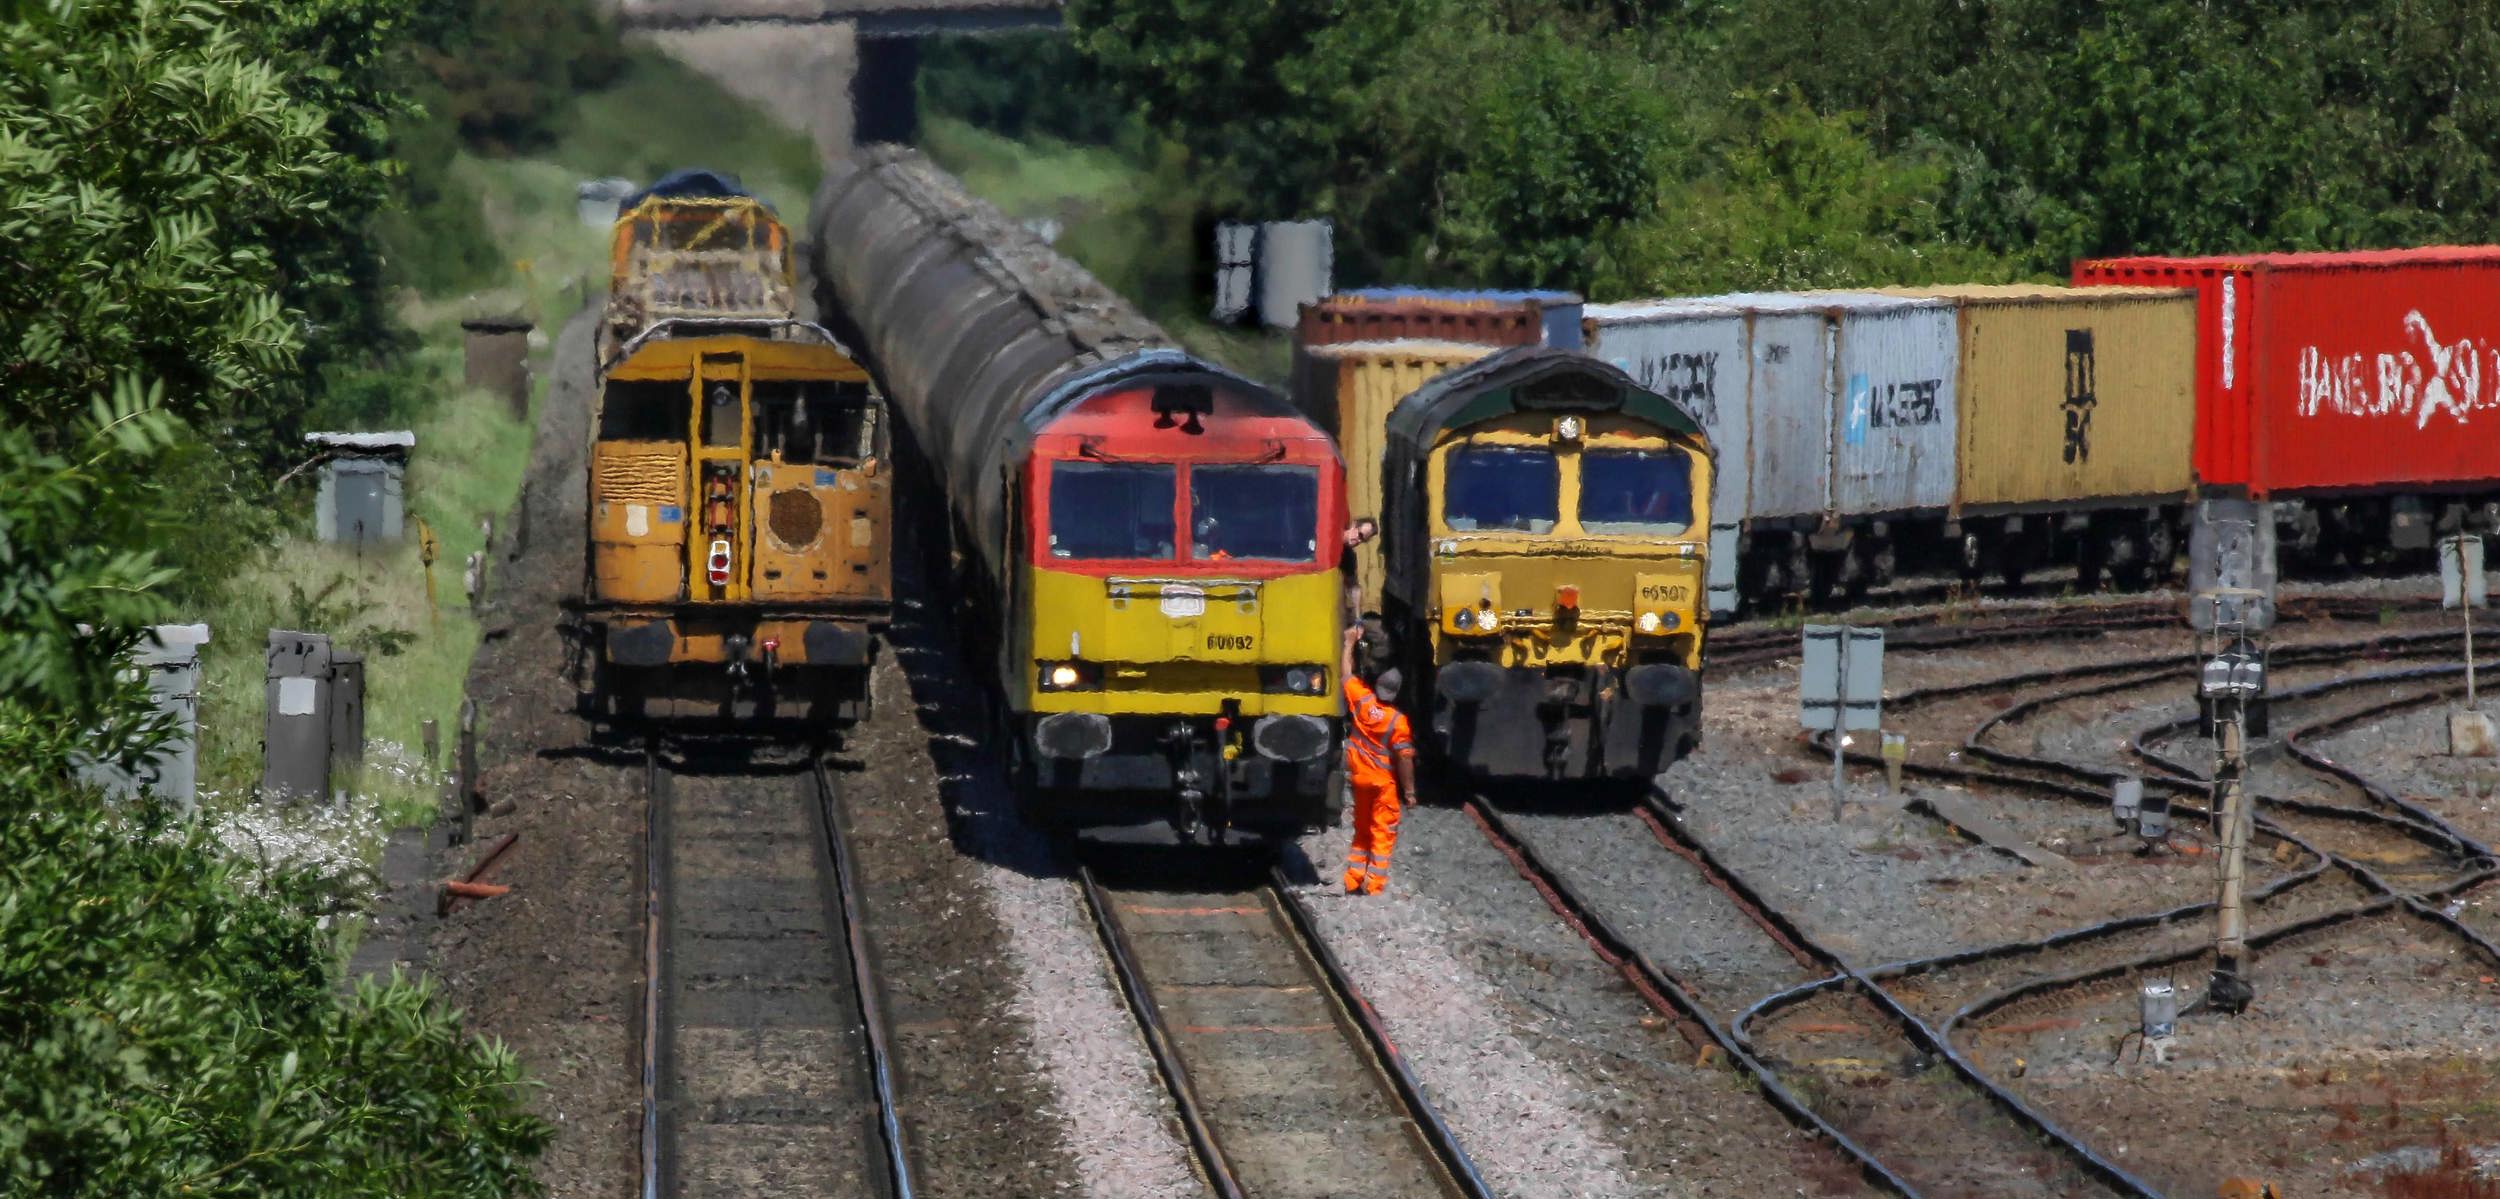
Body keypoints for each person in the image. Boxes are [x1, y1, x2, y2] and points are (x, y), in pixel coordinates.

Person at [1339, 624, 1416, 896]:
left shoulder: (1361, 701)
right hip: (1383, 785)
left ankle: (1352, 878)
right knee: (1382, 832)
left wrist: (1349, 643)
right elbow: (1405, 758)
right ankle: (1374, 886)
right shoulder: (1397, 721)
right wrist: (1409, 791)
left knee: (1361, 829)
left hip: (1359, 780)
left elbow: (1346, 674)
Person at [1338, 517, 1378, 623]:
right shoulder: (1332, 531)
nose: (1358, 541)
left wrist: (1358, 617)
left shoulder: (1349, 556)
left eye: (1363, 540)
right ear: (1353, 525)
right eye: (1360, 535)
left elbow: (1354, 587)